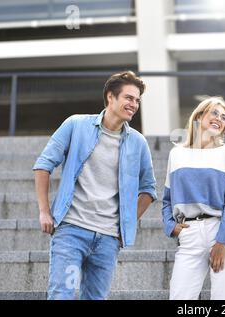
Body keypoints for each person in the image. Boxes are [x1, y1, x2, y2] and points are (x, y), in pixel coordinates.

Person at [33, 71, 157, 300]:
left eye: (137, 100)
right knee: (62, 295)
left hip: (108, 240)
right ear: (111, 97)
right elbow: (43, 165)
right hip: (71, 231)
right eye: (129, 98)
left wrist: (126, 223)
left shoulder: (138, 143)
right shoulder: (76, 125)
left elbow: (148, 189)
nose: (134, 104)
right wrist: (44, 211)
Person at [162, 96, 225, 300]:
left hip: (222, 230)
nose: (219, 118)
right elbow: (166, 199)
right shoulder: (177, 154)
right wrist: (170, 226)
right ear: (199, 116)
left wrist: (222, 242)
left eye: (224, 117)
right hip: (189, 234)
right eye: (214, 113)